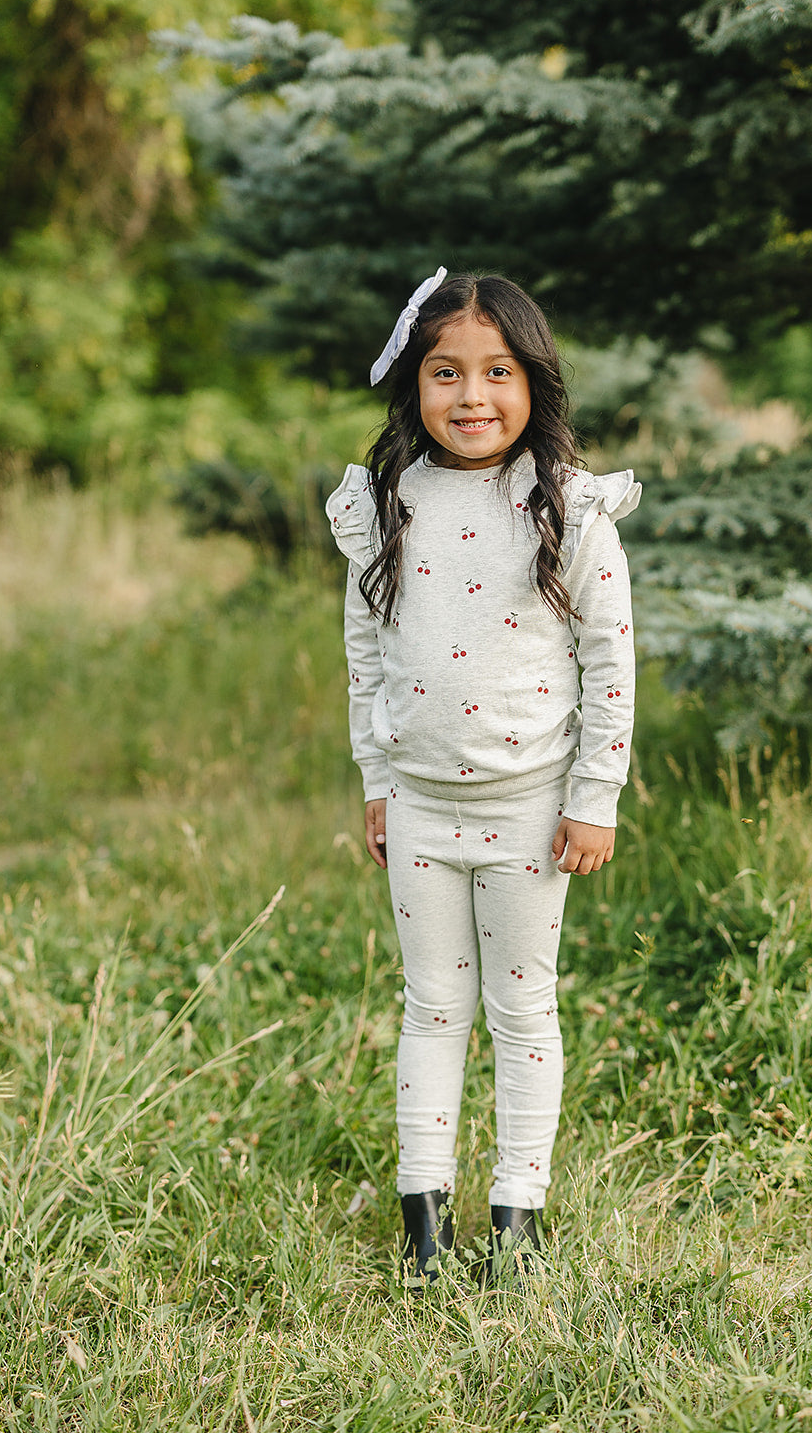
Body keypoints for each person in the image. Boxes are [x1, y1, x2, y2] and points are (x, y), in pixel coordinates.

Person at [325, 269, 640, 1284]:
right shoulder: (384, 504)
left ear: (533, 381)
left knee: (521, 1009)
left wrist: (593, 798)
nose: (472, 396)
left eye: (498, 372)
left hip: (530, 814)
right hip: (419, 807)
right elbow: (367, 655)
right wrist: (377, 781)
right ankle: (424, 1222)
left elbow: (610, 662)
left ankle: (517, 1216)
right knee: (431, 1006)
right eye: (445, 372)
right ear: (413, 384)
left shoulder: (570, 507)